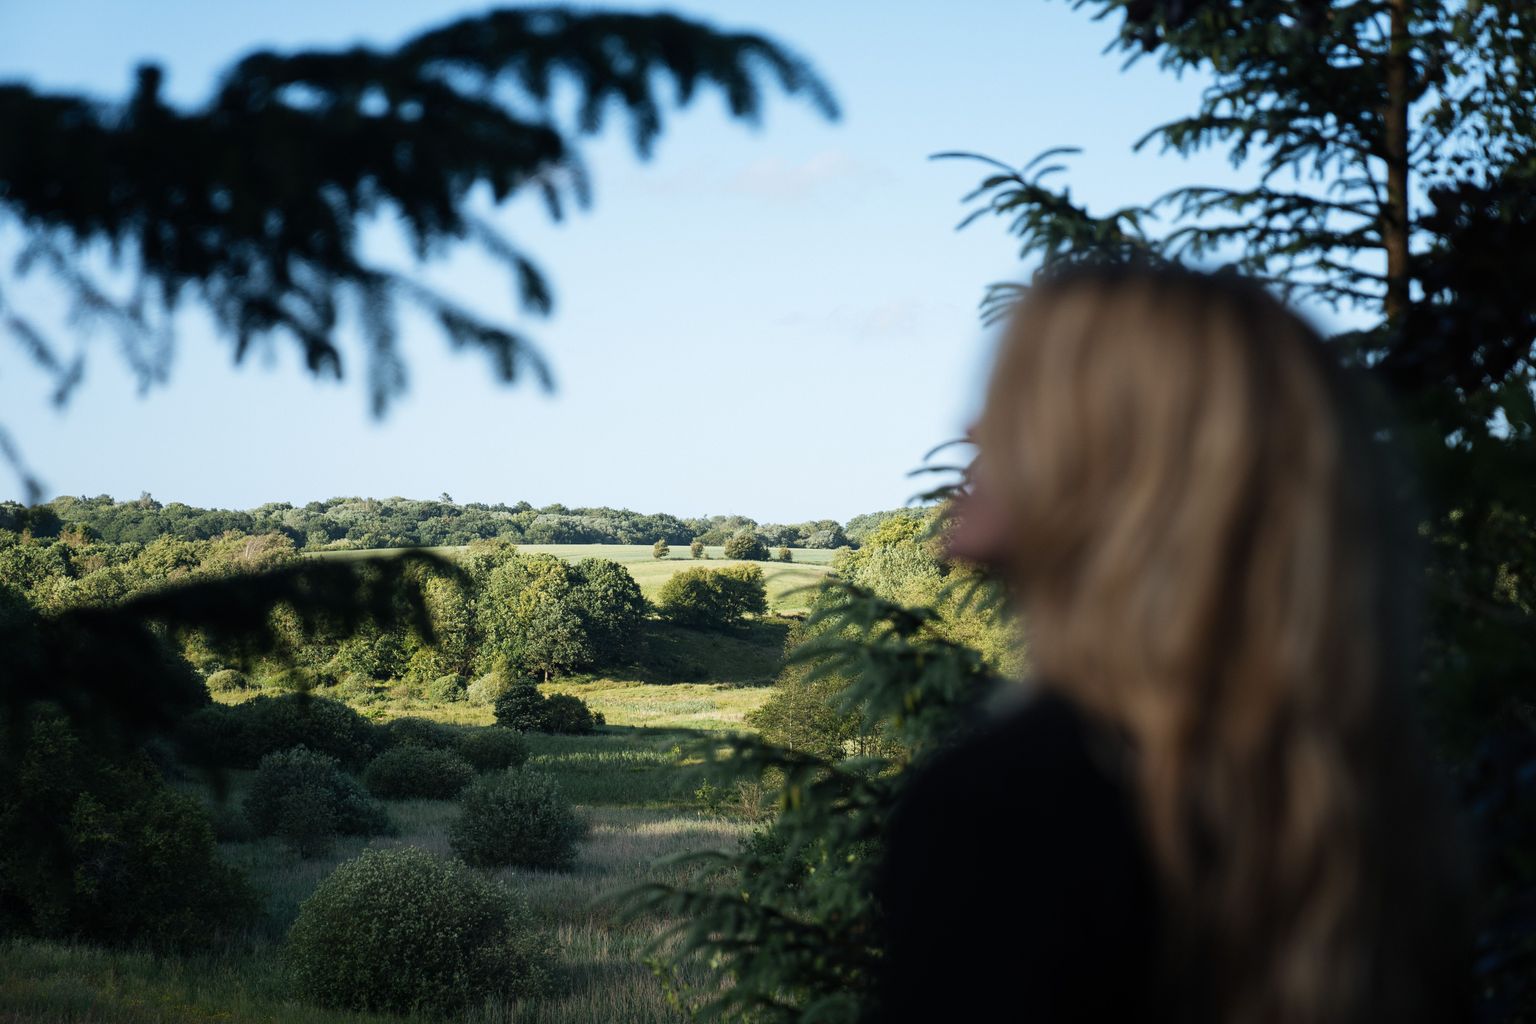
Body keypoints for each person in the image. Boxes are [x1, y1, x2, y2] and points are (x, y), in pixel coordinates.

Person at [875, 264, 1473, 1023]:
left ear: (1122, 462)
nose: (973, 428)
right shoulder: (1367, 815)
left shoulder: (1010, 812)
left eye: (1017, 396)